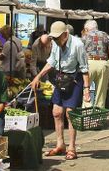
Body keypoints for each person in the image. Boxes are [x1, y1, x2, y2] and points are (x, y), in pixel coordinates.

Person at [29, 21, 89, 161]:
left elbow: (85, 68)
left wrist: (86, 89)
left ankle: (72, 147)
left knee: (70, 114)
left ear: (66, 34)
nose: (55, 40)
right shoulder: (56, 43)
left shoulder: (78, 45)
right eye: (53, 38)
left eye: (57, 37)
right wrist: (38, 76)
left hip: (75, 78)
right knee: (56, 112)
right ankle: (60, 144)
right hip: (61, 78)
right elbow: (52, 62)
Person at [80, 20, 109, 109]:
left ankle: (86, 111)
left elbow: (80, 52)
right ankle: (98, 118)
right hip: (103, 63)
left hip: (89, 63)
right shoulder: (105, 35)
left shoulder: (84, 36)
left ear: (87, 29)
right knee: (101, 93)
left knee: (86, 89)